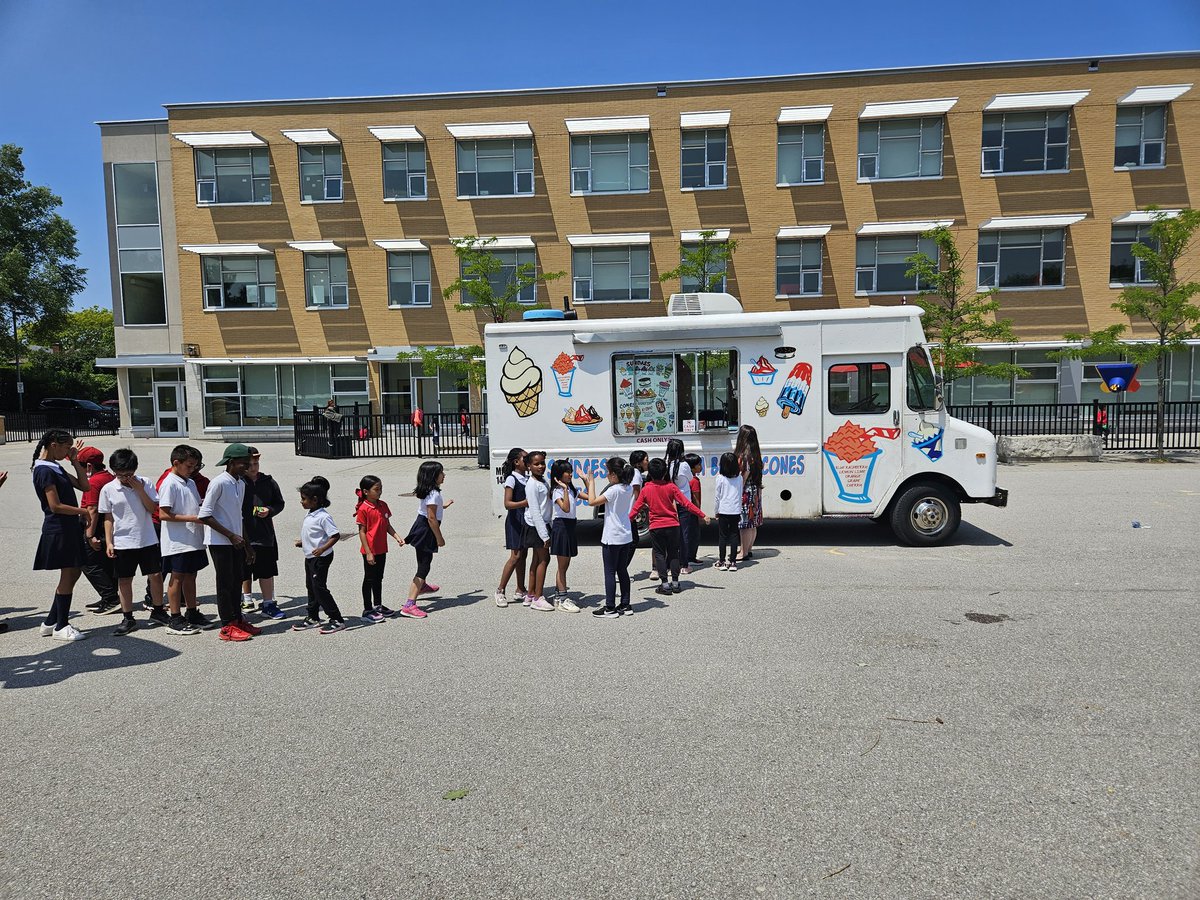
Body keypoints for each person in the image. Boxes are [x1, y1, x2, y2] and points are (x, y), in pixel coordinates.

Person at [99, 448, 167, 636]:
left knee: (155, 575)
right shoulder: (108, 489)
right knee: (124, 579)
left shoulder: (145, 483)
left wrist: (139, 489)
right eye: (119, 474)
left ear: (135, 469)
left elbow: (152, 508)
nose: (124, 478)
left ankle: (158, 610)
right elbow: (108, 517)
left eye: (128, 474)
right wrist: (109, 542)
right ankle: (128, 617)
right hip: (123, 541)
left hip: (147, 538)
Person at [31, 430, 91, 641]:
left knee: (73, 573)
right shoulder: (43, 470)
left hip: (69, 527)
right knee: (69, 574)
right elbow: (54, 506)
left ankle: (50, 622)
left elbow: (85, 486)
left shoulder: (55, 466)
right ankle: (61, 626)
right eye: (66, 447)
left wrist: (75, 461)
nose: (68, 451)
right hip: (59, 528)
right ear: (53, 444)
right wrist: (83, 511)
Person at [199, 443, 260, 642]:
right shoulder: (219, 483)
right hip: (219, 542)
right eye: (244, 463)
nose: (248, 467)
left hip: (236, 542)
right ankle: (227, 625)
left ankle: (237, 619)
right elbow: (205, 515)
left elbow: (239, 517)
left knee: (237, 581)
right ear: (232, 462)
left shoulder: (240, 483)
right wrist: (230, 536)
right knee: (225, 583)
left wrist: (248, 546)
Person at [629, 458, 709, 595]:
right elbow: (686, 503)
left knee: (660, 554)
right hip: (673, 525)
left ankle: (665, 584)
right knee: (673, 553)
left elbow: (636, 509)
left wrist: (625, 522)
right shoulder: (671, 487)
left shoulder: (646, 489)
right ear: (665, 472)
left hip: (656, 527)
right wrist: (702, 515)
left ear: (650, 473)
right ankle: (676, 583)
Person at [157, 444, 210, 634]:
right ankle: (175, 617)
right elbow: (163, 514)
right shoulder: (170, 483)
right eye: (189, 466)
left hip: (193, 538)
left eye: (195, 466)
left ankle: (192, 611)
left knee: (191, 575)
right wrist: (193, 518)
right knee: (177, 577)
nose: (192, 469)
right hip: (177, 541)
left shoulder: (190, 482)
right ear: (176, 463)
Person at [292, 479, 351, 634]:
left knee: (319, 588)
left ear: (315, 500)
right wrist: (304, 542)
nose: (301, 501)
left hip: (321, 558)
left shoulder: (323, 517)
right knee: (311, 586)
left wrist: (322, 548)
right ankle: (313, 617)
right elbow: (315, 534)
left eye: (304, 498)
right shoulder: (311, 513)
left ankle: (337, 619)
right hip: (310, 557)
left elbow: (335, 535)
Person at [582, 457, 636, 618]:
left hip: (612, 536)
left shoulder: (613, 490)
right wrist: (587, 481)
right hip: (625, 535)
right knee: (622, 570)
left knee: (610, 572)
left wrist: (591, 480)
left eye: (608, 472)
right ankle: (625, 604)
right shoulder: (627, 488)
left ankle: (610, 607)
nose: (606, 475)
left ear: (614, 474)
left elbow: (592, 501)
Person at [240, 447, 286, 619]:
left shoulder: (268, 481)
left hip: (264, 535)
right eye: (250, 464)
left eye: (256, 463)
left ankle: (268, 604)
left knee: (266, 570)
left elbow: (279, 503)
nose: (253, 467)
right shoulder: (238, 482)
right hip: (243, 534)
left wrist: (269, 510)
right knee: (243, 570)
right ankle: (246, 599)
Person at [402, 460, 452, 619]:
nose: (444, 475)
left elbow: (431, 509)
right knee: (423, 567)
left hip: (421, 527)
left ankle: (422, 586)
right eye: (441, 473)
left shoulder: (430, 491)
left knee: (425, 561)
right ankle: (409, 604)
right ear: (433, 476)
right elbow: (431, 518)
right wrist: (439, 538)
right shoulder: (433, 494)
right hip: (426, 530)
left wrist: (443, 506)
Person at [77, 446, 121, 616]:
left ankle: (111, 598)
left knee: (87, 563)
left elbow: (93, 509)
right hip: (106, 525)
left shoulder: (94, 482)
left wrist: (89, 535)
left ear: (89, 466)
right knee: (105, 562)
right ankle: (110, 596)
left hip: (95, 525)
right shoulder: (108, 476)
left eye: (80, 466)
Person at [355, 475, 405, 623]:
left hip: (382, 548)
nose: (380, 492)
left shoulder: (383, 505)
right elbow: (362, 532)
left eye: (381, 488)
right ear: (365, 491)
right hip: (370, 550)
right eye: (376, 489)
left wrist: (397, 537)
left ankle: (378, 605)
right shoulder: (364, 508)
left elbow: (387, 525)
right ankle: (367, 609)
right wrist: (368, 552)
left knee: (379, 578)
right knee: (369, 578)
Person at [495, 447, 531, 608]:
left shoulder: (527, 478)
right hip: (515, 520)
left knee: (523, 555)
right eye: (525, 459)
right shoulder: (512, 479)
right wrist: (525, 502)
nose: (528, 462)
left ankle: (520, 588)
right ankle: (500, 590)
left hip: (526, 520)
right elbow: (508, 504)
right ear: (516, 462)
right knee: (515, 556)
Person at [521, 451, 554, 611]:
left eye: (542, 463)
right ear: (529, 466)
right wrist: (544, 535)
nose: (540, 466)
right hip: (536, 526)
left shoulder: (542, 480)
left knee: (536, 559)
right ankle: (538, 598)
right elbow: (535, 511)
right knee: (544, 560)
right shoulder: (532, 484)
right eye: (536, 464)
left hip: (542, 524)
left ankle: (531, 594)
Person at [549, 459, 581, 613]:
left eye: (570, 471)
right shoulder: (557, 491)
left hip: (570, 526)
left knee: (565, 564)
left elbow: (591, 498)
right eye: (567, 472)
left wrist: (587, 479)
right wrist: (565, 490)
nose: (570, 474)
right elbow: (566, 508)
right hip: (561, 527)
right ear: (558, 475)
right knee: (562, 566)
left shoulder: (571, 489)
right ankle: (563, 599)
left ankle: (558, 595)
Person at [734, 424, 765, 561]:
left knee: (744, 524)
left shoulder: (744, 456)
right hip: (755, 490)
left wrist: (737, 490)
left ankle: (743, 552)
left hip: (746, 492)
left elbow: (744, 475)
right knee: (752, 523)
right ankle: (749, 549)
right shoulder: (756, 455)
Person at [664, 440, 694, 574]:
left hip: (670, 502)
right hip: (683, 502)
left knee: (670, 535)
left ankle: (669, 565)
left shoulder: (665, 465)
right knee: (684, 534)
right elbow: (690, 478)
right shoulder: (684, 465)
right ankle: (684, 564)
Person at [714, 451, 745, 571]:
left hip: (723, 509)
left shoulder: (720, 478)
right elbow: (740, 494)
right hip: (735, 510)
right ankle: (733, 562)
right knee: (734, 535)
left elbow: (717, 497)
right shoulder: (740, 478)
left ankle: (722, 561)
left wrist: (716, 510)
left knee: (722, 536)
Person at [683, 452, 704, 569]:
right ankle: (690, 557)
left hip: (685, 510)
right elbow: (696, 498)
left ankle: (686, 556)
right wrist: (699, 513)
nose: (701, 467)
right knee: (694, 535)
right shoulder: (694, 480)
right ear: (692, 467)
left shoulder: (684, 479)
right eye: (699, 465)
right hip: (692, 511)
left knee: (686, 534)